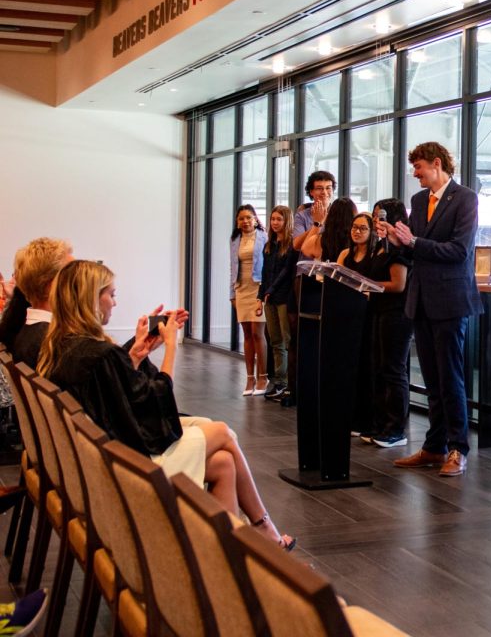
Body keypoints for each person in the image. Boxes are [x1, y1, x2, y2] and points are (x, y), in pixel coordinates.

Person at [38, 260, 295, 551]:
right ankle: (261, 529)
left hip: (103, 456)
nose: (114, 302)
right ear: (90, 300)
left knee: (223, 463)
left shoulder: (63, 346)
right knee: (223, 432)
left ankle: (228, 552)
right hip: (128, 463)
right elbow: (154, 403)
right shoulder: (97, 353)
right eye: (110, 294)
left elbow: (113, 393)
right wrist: (171, 347)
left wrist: (135, 354)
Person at [386, 143, 483, 477]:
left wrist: (413, 242)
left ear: (437, 163)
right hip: (422, 299)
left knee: (451, 378)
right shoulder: (418, 201)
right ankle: (434, 447)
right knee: (431, 379)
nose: (414, 174)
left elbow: (459, 250)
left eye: (419, 167)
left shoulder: (466, 198)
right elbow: (420, 252)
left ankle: (459, 448)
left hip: (451, 300)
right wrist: (402, 243)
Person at [337, 211, 409, 447]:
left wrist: (366, 284)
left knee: (392, 371)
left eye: (381, 219)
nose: (378, 224)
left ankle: (395, 429)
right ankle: (379, 425)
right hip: (378, 311)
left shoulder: (397, 252)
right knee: (379, 369)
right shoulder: (382, 249)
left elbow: (398, 284)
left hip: (394, 313)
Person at [280, 170, 336, 405]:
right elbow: (297, 245)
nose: (324, 192)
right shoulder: (303, 214)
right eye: (319, 188)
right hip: (305, 279)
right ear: (311, 191)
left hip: (332, 277)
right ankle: (296, 389)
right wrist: (317, 223)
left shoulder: (340, 211)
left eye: (327, 188)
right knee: (301, 334)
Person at [10, 237, 74, 369]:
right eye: (73, 276)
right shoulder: (58, 343)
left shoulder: (25, 333)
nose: (81, 284)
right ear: (52, 286)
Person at [256, 205, 297, 398]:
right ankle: (278, 381)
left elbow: (286, 273)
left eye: (279, 219)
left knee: (286, 339)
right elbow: (265, 273)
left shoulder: (291, 245)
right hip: (269, 298)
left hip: (283, 297)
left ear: (286, 221)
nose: (275, 222)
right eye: (273, 219)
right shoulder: (269, 245)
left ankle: (287, 382)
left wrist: (270, 291)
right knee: (275, 340)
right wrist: (261, 295)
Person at [230, 205, 268, 395]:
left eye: (248, 218)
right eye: (241, 218)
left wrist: (265, 292)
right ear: (237, 222)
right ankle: (249, 378)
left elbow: (268, 266)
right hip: (241, 288)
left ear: (255, 219)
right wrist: (232, 294)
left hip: (258, 289)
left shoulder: (264, 237)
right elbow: (232, 267)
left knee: (257, 333)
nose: (245, 221)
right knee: (246, 335)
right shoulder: (235, 239)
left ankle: (263, 377)